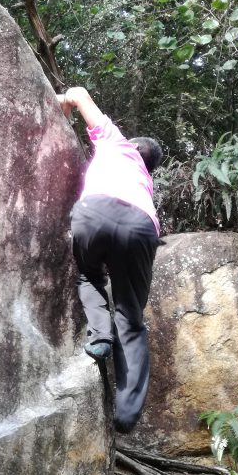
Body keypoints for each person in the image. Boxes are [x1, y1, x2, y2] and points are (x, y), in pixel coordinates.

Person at [56, 86, 163, 434]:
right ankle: (128, 412)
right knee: (131, 317)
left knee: (89, 276)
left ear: (134, 147)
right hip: (141, 225)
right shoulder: (145, 182)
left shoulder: (116, 143)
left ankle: (100, 336)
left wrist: (61, 106)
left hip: (95, 211)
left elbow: (77, 92)